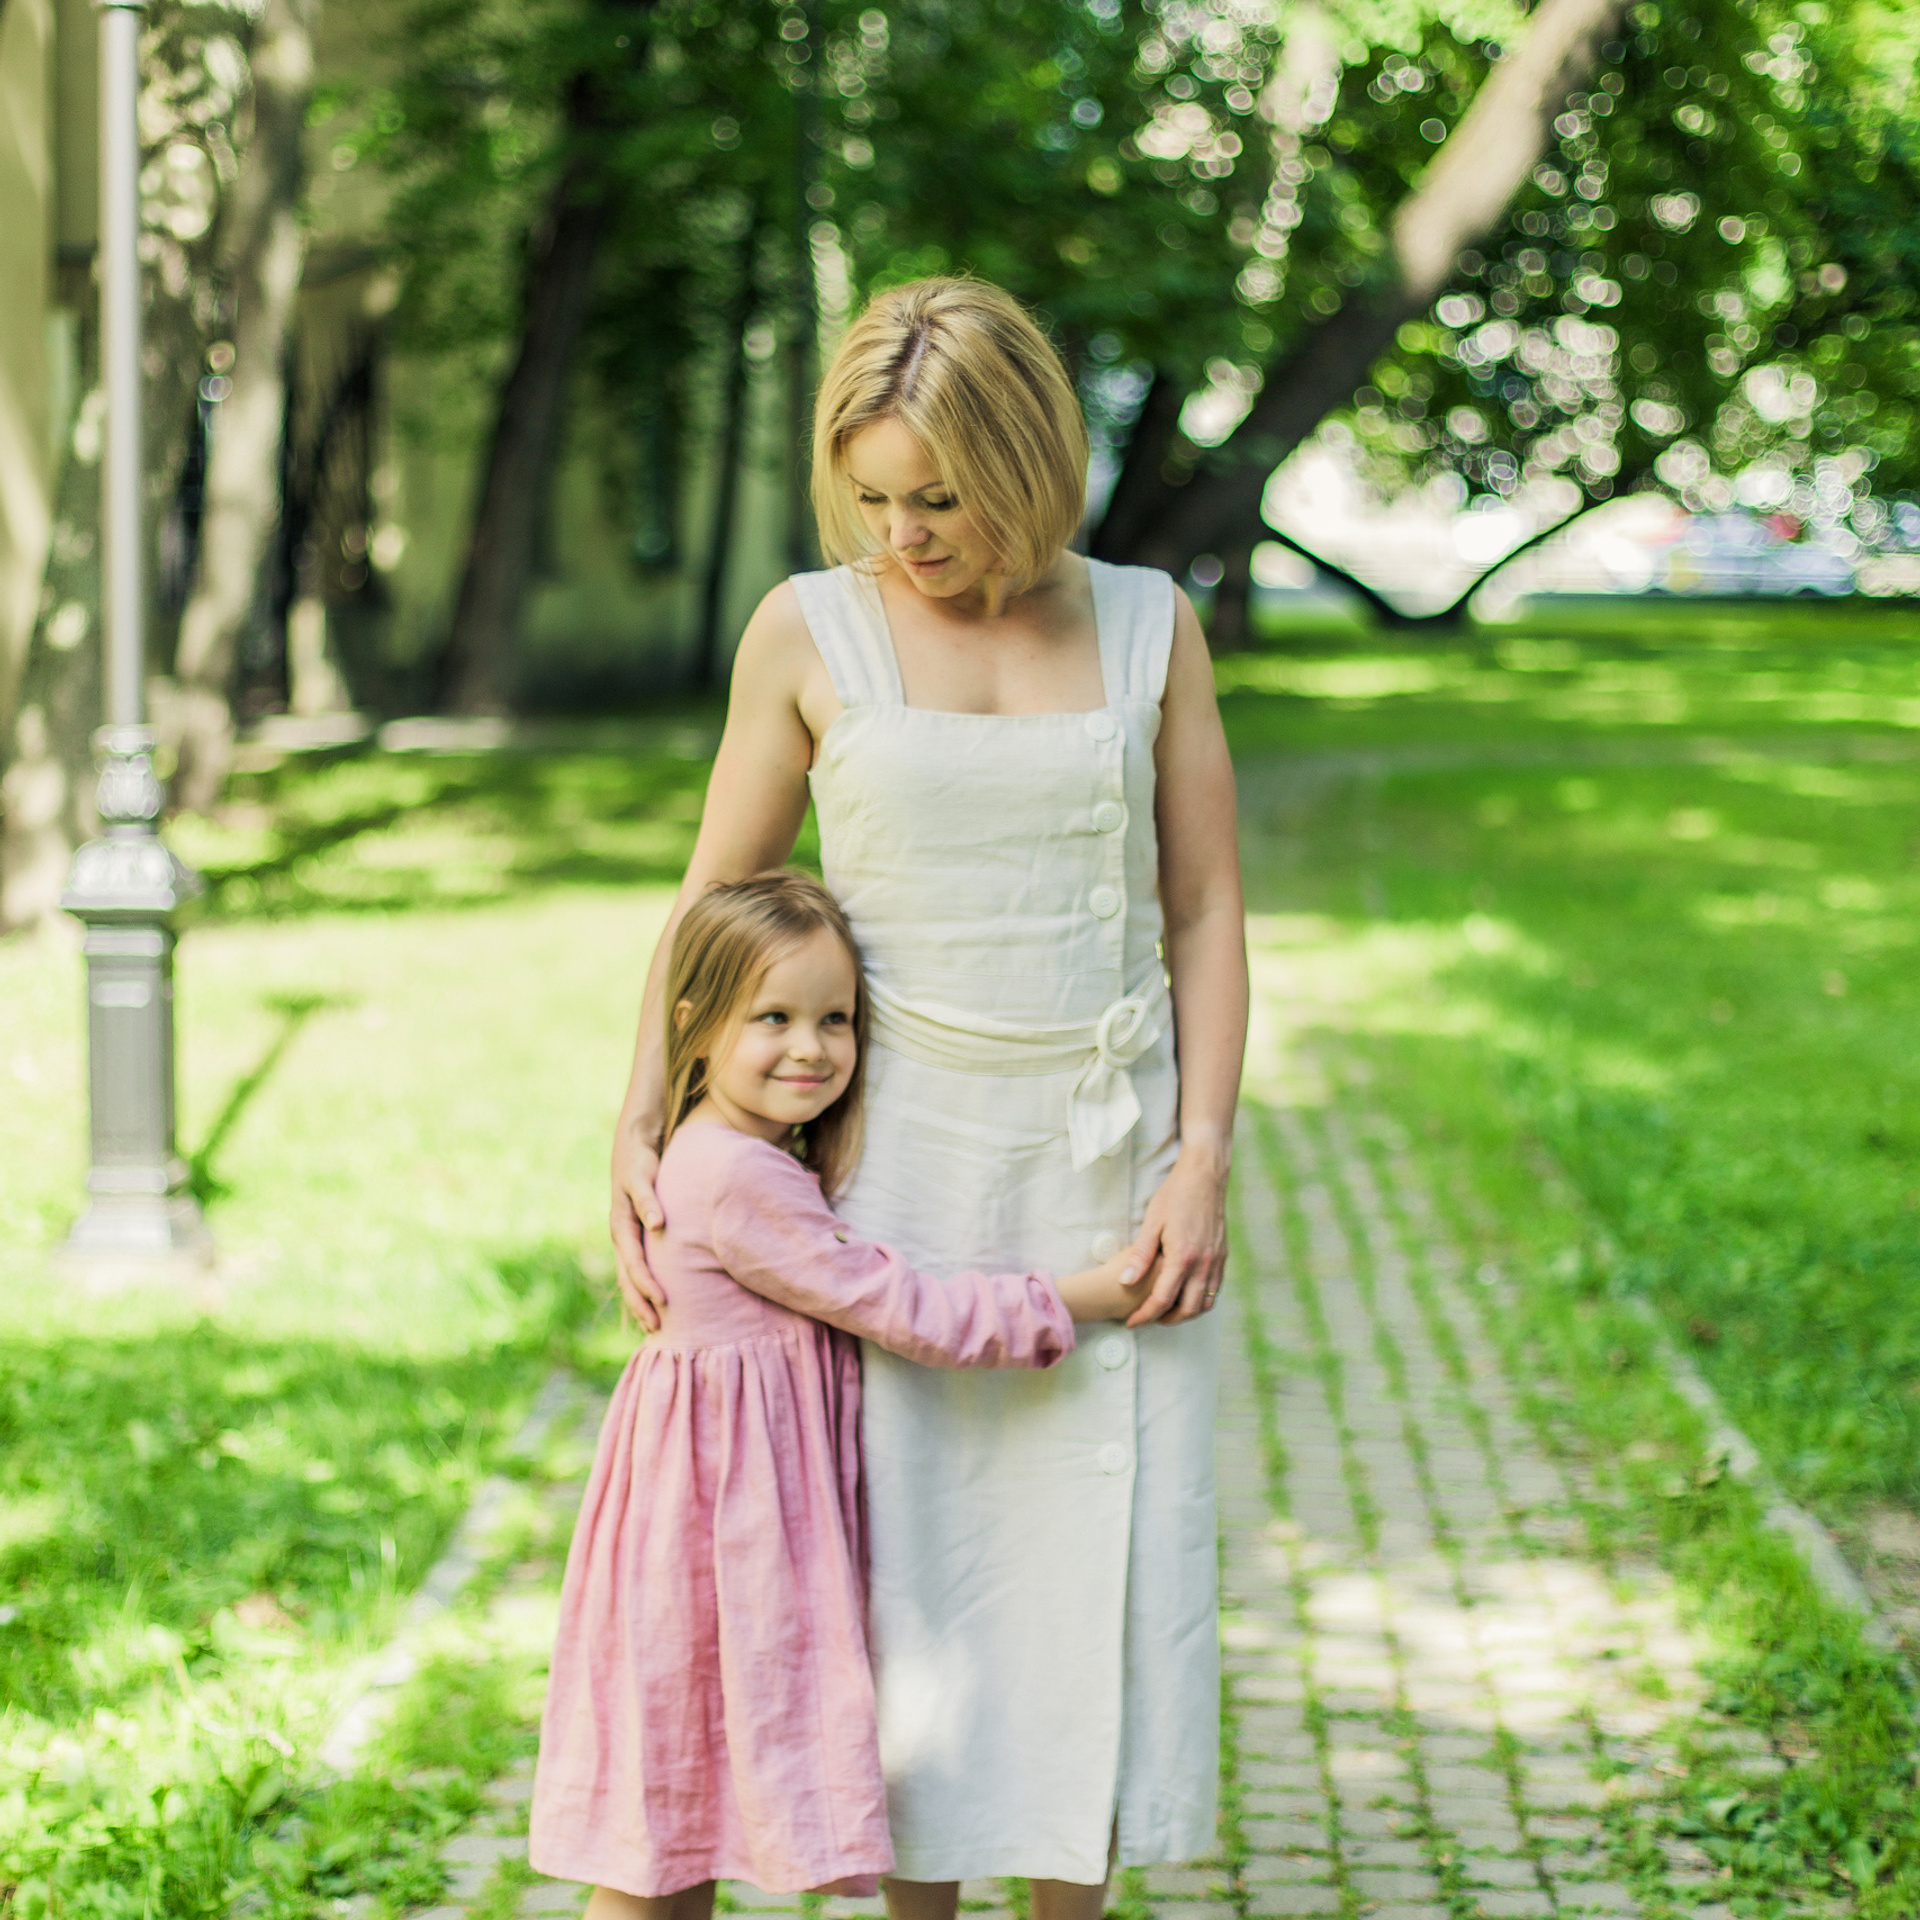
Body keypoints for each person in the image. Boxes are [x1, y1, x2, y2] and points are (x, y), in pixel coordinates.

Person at [609, 278, 1248, 1920]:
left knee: (1081, 1599)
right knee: (915, 1608)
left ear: (1026, 462)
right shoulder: (804, 629)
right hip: (887, 1174)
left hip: (1106, 1164)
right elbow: (714, 894)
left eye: (942, 498)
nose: (907, 533)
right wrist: (639, 1120)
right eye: (876, 499)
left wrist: (1202, 1163)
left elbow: (1204, 906)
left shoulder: (1144, 625)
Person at [533, 871, 1151, 1918]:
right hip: (721, 1536)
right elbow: (906, 1308)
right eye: (771, 1017)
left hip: (704, 1523)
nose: (810, 1046)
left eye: (836, 1019)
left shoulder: (732, 1153)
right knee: (655, 1847)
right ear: (693, 1026)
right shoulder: (737, 1179)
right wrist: (1083, 1294)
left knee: (676, 1821)